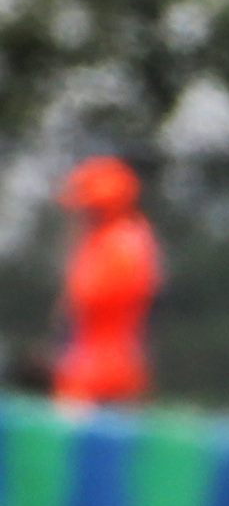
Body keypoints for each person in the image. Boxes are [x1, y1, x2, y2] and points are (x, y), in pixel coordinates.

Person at [49, 157, 157, 408]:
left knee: (80, 442)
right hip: (97, 364)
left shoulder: (119, 243)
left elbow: (88, 298)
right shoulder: (115, 239)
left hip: (101, 371)